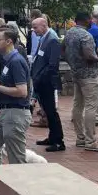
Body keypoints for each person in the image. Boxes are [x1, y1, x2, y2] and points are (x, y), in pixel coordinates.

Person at [0, 26, 31, 164]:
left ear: (9, 41)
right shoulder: (8, 60)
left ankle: (18, 184)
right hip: (7, 112)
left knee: (16, 157)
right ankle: (0, 179)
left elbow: (22, 91)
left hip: (15, 113)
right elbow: (12, 84)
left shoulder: (15, 61)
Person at [62, 12, 98, 153]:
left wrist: (73, 63)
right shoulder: (85, 35)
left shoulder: (69, 33)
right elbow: (89, 56)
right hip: (89, 75)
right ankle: (90, 140)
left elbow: (62, 50)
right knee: (90, 106)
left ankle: (80, 137)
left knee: (78, 104)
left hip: (76, 73)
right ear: (87, 20)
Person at [30, 17, 64, 152]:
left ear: (44, 26)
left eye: (35, 27)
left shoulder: (52, 40)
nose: (33, 30)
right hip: (41, 82)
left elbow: (52, 65)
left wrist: (40, 78)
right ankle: (52, 137)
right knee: (47, 112)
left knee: (51, 112)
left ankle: (58, 141)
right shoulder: (43, 38)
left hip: (47, 83)